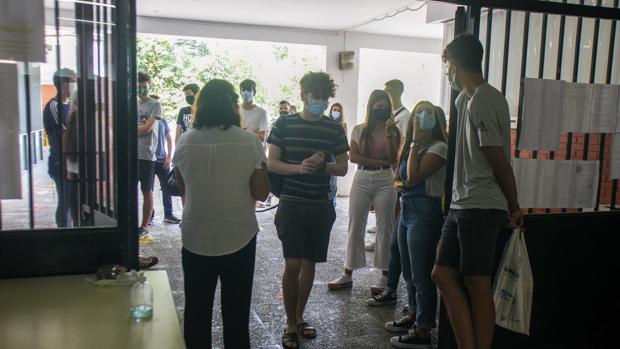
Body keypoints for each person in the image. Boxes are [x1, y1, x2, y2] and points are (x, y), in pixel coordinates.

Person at [431, 34, 523, 349]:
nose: (447, 75)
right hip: (460, 205)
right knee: (442, 274)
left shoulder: (486, 99)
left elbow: (499, 161)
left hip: (483, 206)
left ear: (455, 66)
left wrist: (514, 206)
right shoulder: (463, 100)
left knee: (477, 284)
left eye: (448, 68)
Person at [173, 79, 269, 349]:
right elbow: (261, 193)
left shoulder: (185, 142)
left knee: (196, 312)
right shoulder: (250, 141)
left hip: (195, 237)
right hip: (238, 235)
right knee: (236, 315)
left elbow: (183, 188)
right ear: (233, 105)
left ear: (200, 106)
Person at [268, 71, 349, 349]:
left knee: (309, 264)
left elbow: (343, 166)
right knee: (292, 264)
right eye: (316, 97)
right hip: (291, 202)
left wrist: (324, 165)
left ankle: (300, 316)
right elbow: (272, 163)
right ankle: (290, 323)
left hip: (321, 204)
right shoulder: (284, 123)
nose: (320, 102)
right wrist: (299, 168)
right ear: (303, 96)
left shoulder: (333, 128)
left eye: (325, 98)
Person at [386, 102, 448, 348]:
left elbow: (413, 176)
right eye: (419, 113)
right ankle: (413, 314)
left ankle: (423, 330)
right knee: (409, 269)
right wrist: (400, 183)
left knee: (422, 273)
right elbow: (399, 178)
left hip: (425, 211)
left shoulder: (439, 147)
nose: (423, 117)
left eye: (428, 114)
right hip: (407, 208)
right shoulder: (412, 147)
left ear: (436, 120)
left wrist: (414, 143)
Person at [328, 90, 400, 294]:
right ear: (371, 106)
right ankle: (347, 273)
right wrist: (380, 161)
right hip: (362, 178)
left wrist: (390, 135)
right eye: (377, 104)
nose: (381, 108)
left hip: (386, 178)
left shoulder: (394, 130)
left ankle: (385, 275)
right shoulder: (359, 130)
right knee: (355, 224)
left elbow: (394, 158)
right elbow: (354, 157)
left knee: (385, 225)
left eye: (385, 105)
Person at [366, 80, 414, 301]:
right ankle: (388, 279)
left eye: (389, 90)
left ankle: (390, 279)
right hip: (394, 170)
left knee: (392, 223)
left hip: (398, 168)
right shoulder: (388, 116)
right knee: (388, 223)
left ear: (397, 91)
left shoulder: (404, 116)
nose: (386, 95)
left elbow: (401, 143)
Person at [43, 68, 77, 227]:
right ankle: (64, 233)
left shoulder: (70, 105)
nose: (76, 85)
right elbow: (66, 136)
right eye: (73, 82)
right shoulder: (54, 107)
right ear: (64, 85)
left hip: (73, 161)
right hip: (61, 162)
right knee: (65, 201)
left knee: (74, 201)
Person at [137, 72, 161, 238]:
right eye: (139, 87)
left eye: (145, 87)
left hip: (146, 154)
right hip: (131, 154)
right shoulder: (132, 103)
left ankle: (144, 225)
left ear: (149, 86)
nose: (142, 90)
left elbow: (147, 128)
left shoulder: (155, 105)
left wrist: (131, 128)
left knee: (147, 190)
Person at [153, 111, 180, 224]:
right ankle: (149, 214)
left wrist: (169, 157)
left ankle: (168, 214)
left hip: (162, 160)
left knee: (167, 187)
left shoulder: (162, 121)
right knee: (147, 189)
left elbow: (169, 139)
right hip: (148, 160)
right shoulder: (141, 121)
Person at [327, 103, 347, 206]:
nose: (335, 112)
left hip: (336, 155)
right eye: (334, 109)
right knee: (327, 178)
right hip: (327, 154)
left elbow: (344, 141)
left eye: (338, 110)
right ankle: (327, 198)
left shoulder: (343, 125)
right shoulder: (326, 123)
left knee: (334, 179)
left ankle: (333, 200)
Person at [239, 79, 269, 143]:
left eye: (249, 90)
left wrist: (242, 131)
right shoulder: (235, 110)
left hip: (254, 150)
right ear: (240, 92)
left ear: (254, 92)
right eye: (243, 90)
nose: (246, 92)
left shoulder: (262, 112)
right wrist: (254, 133)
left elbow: (261, 138)